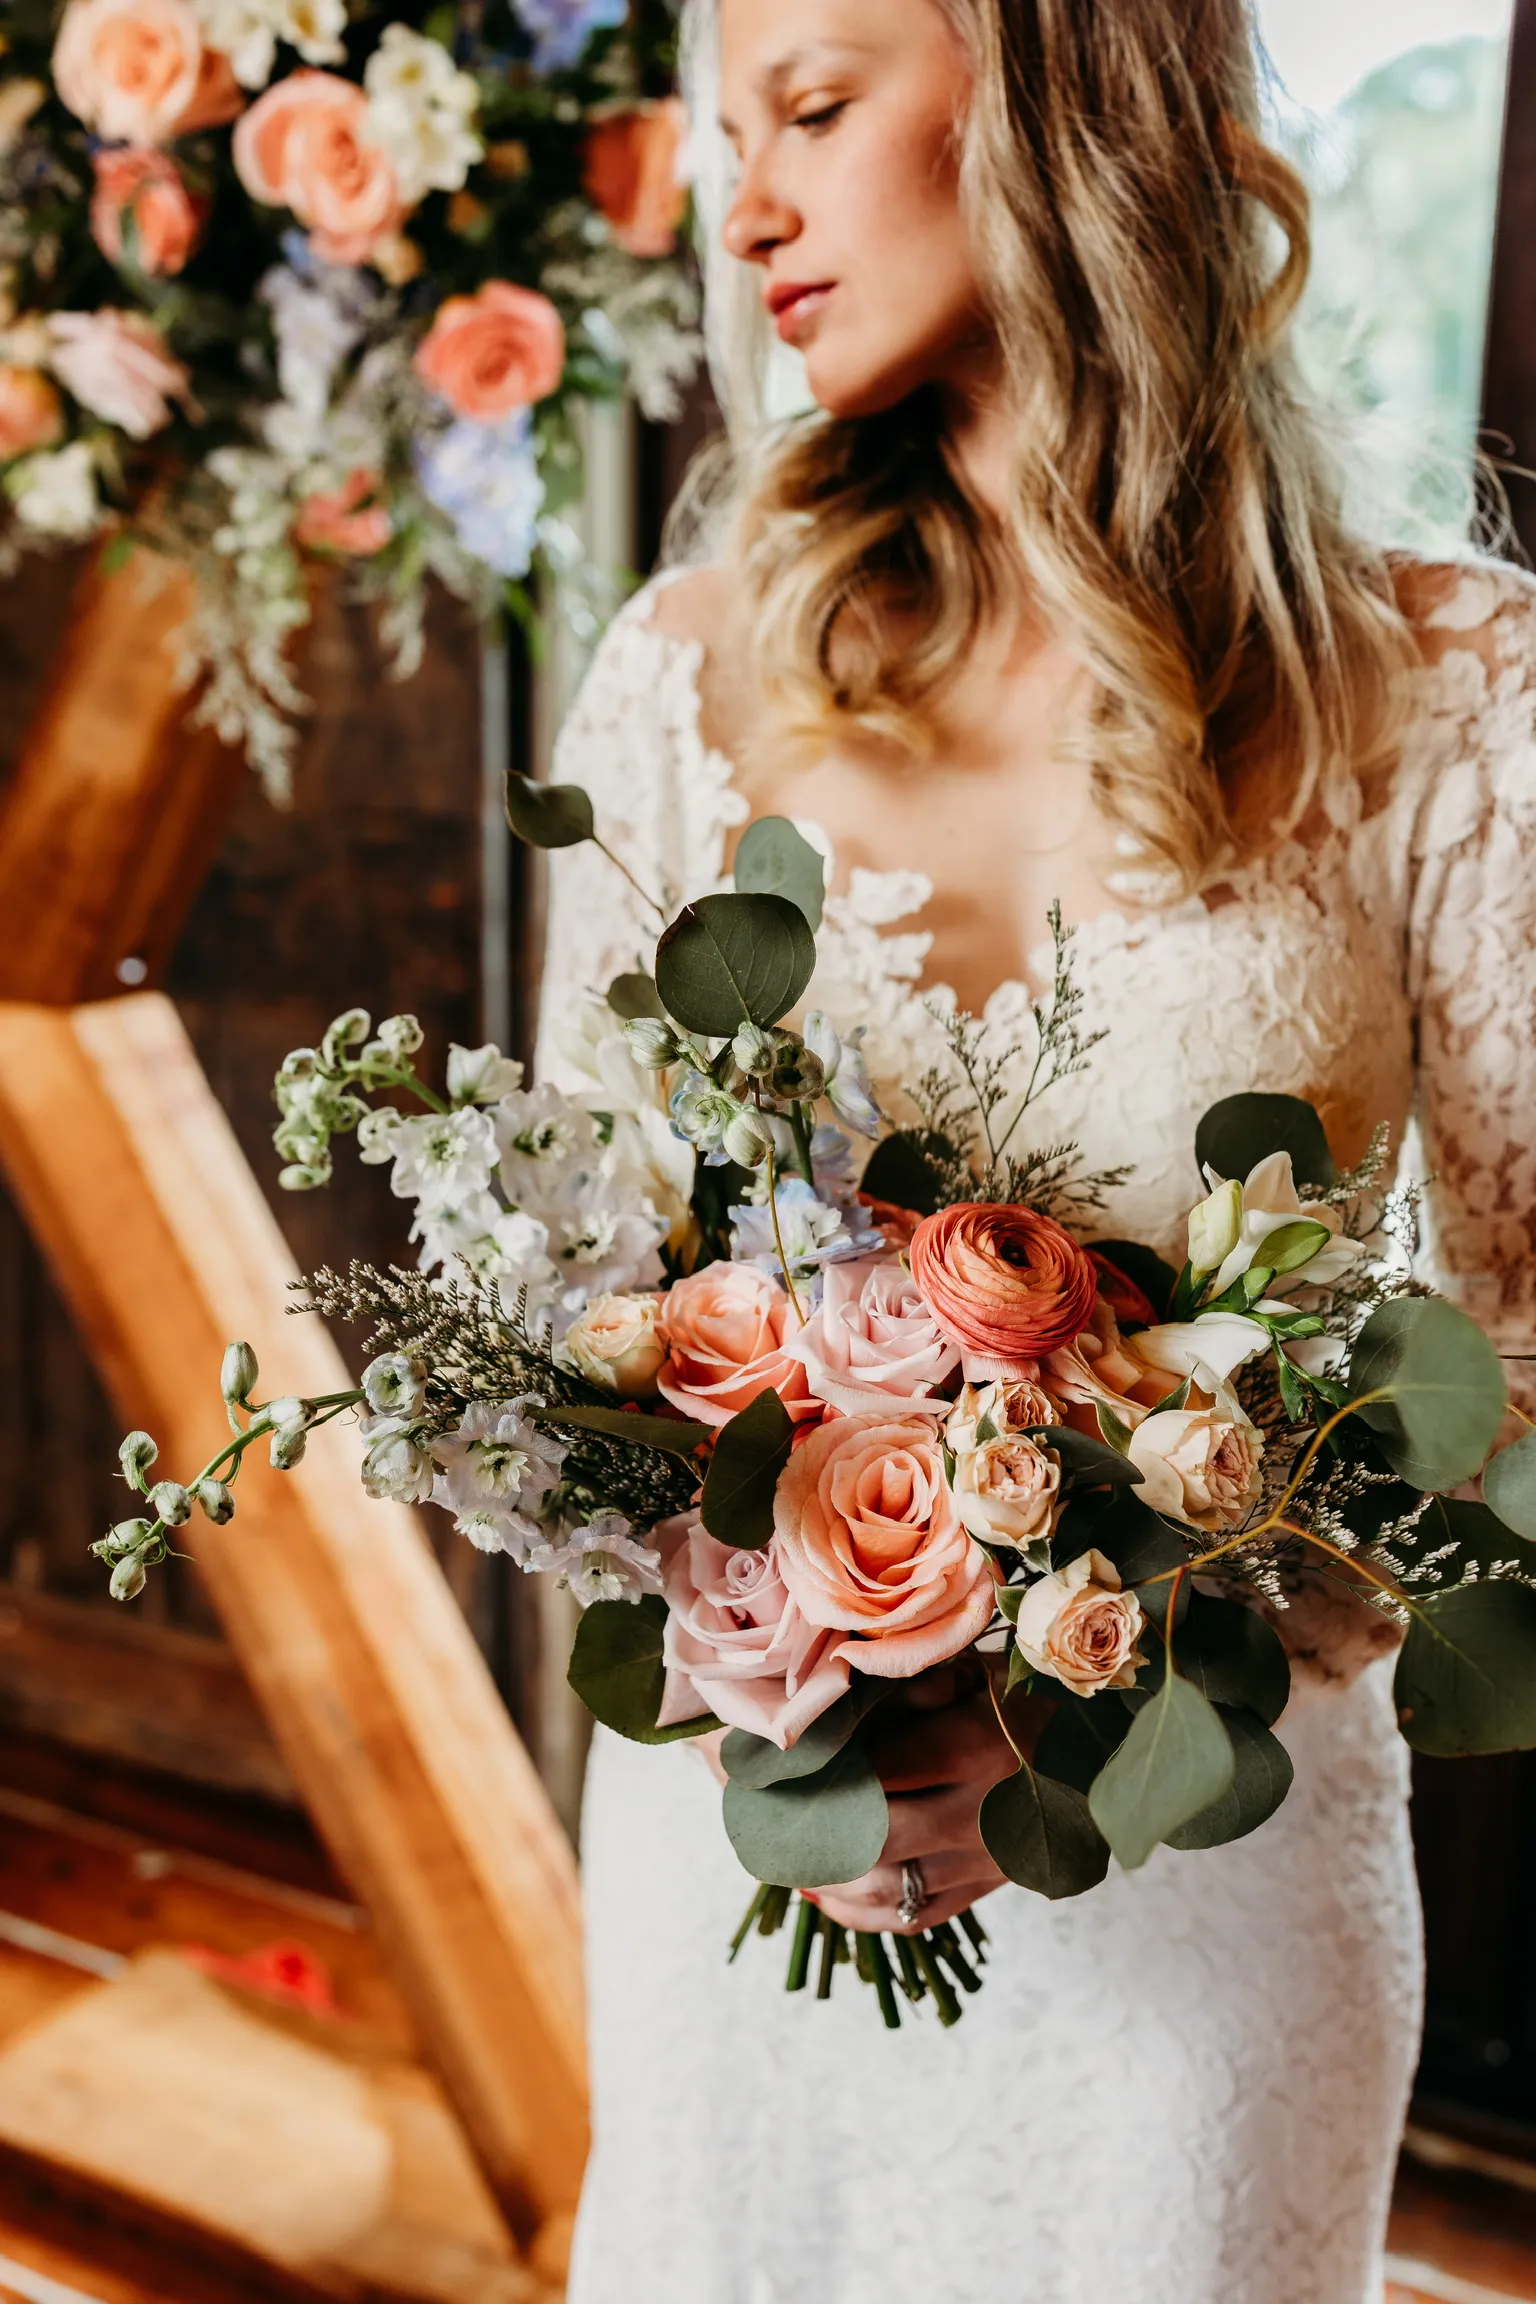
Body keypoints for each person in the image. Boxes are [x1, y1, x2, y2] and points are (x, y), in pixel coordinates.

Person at [537, 1, 1536, 2296]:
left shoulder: (1455, 689)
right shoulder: (682, 679)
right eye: (719, 136)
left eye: (809, 108)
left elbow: (1526, 1366)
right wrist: (761, 1677)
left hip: (1212, 1893)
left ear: (1068, 103)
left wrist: (1120, 1688)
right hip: (745, 1851)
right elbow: (575, 1336)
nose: (743, 202)